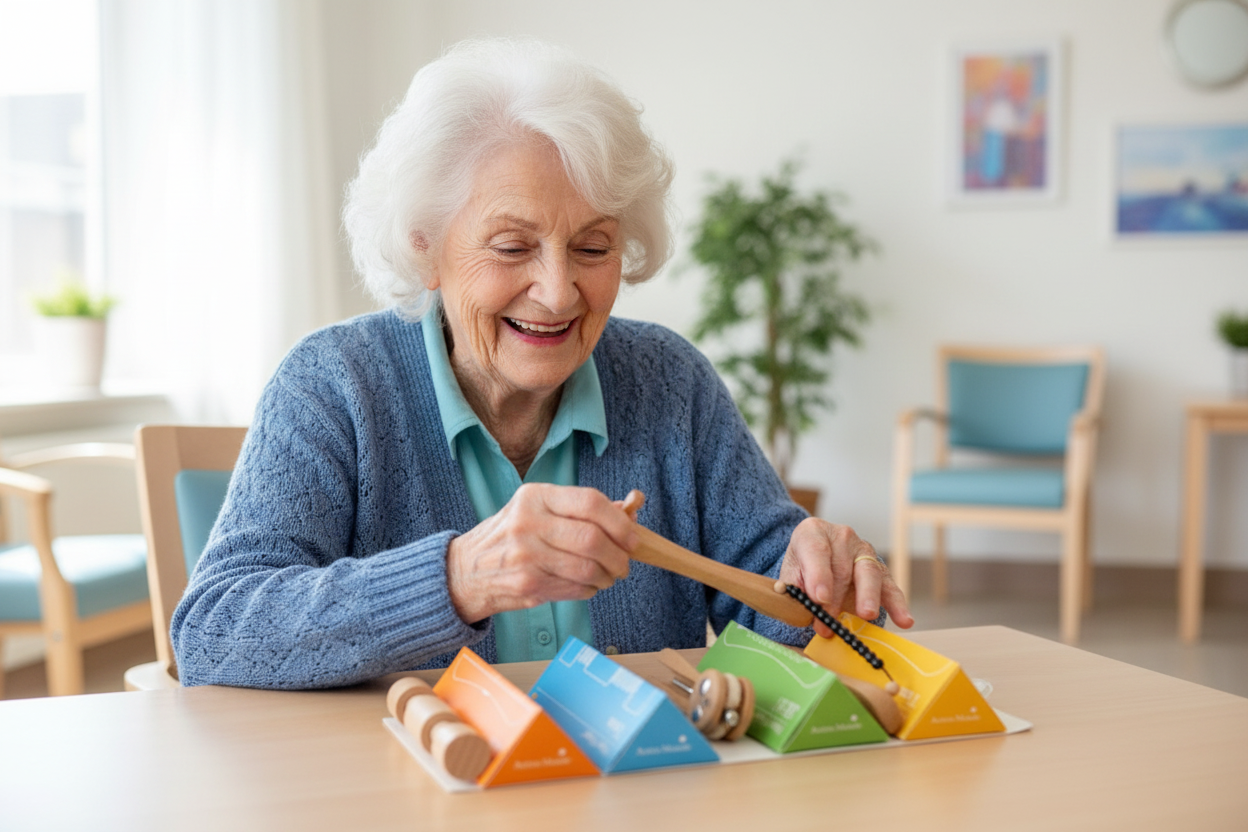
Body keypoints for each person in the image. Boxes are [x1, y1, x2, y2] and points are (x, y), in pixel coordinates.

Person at [171, 38, 912, 690]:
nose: (559, 292)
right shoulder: (334, 383)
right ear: (424, 244)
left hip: (636, 790)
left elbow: (767, 592)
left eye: (593, 247)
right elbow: (212, 632)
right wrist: (459, 578)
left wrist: (821, 574)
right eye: (512, 246)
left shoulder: (669, 381)